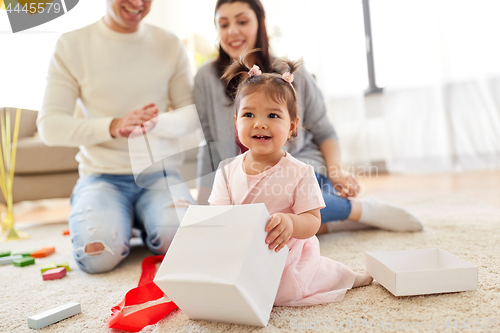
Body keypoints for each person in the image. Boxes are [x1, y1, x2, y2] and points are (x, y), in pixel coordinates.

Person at [195, 0, 423, 233]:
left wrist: (336, 172)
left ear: (259, 23)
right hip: (247, 179)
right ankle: (335, 223)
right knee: (255, 222)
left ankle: (357, 210)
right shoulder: (205, 77)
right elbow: (208, 143)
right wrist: (202, 204)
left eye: (242, 21)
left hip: (301, 170)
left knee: (280, 209)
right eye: (223, 25)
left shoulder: (290, 75)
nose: (232, 31)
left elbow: (324, 130)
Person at [37, 0, 197, 273]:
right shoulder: (71, 45)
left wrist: (158, 123)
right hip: (102, 177)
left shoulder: (169, 44)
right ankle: (113, 215)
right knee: (98, 256)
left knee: (187, 243)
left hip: (159, 175)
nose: (137, 3)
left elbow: (192, 114)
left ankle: (142, 221)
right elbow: (49, 125)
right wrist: (113, 126)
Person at [209, 57, 373, 306]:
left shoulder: (300, 172)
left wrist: (291, 222)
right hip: (242, 254)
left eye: (273, 115)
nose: (259, 123)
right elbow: (218, 217)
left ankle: (346, 276)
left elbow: (312, 222)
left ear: (292, 126)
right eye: (249, 114)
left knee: (313, 277)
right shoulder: (226, 171)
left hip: (284, 255)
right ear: (236, 123)